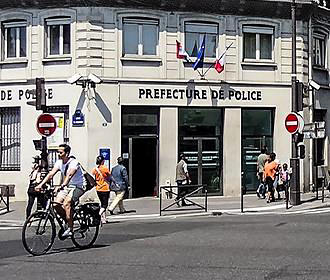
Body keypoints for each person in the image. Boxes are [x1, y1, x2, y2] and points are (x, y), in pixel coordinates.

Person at [35, 144, 85, 238]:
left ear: (67, 153)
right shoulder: (59, 162)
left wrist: (62, 185)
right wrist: (40, 185)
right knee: (55, 204)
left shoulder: (74, 162)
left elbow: (69, 175)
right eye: (58, 152)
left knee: (66, 203)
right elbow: (51, 174)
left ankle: (70, 229)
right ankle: (67, 219)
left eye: (60, 152)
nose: (58, 154)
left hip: (79, 186)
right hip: (67, 187)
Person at [92, 155, 111, 224]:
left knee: (102, 203)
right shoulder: (105, 168)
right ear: (103, 161)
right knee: (105, 205)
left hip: (98, 188)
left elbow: (94, 176)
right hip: (105, 188)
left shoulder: (95, 169)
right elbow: (109, 177)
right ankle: (98, 215)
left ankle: (104, 219)